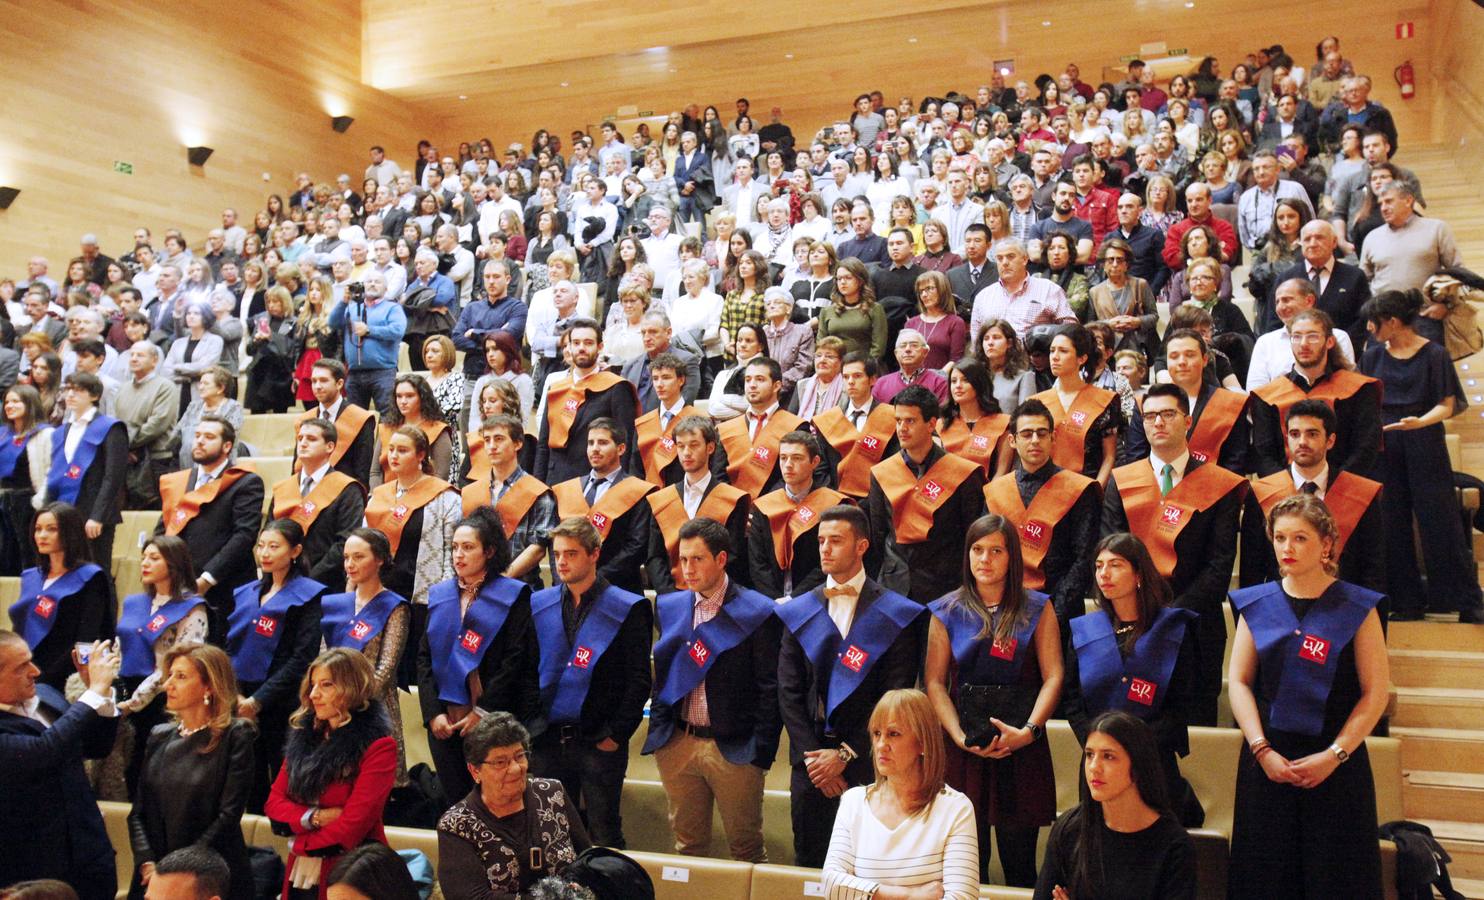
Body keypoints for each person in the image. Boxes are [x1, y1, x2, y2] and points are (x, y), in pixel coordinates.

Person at [1227, 495, 1390, 899]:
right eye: (1280, 538)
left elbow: (1374, 693)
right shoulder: (1257, 603)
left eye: (1300, 538)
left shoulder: (1357, 606)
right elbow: (1240, 682)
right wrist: (1261, 749)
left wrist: (1334, 755)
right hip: (1268, 762)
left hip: (1336, 763)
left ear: (1327, 544)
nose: (1287, 548)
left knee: (1334, 880)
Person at [776, 504, 927, 868]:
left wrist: (844, 756)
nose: (825, 549)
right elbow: (789, 691)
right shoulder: (800, 608)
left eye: (836, 541)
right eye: (821, 541)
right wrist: (816, 758)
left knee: (869, 867)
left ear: (861, 546)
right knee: (809, 865)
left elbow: (894, 698)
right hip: (810, 765)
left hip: (872, 762)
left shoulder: (895, 613)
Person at [923, 515, 1063, 887]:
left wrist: (1029, 731)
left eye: (996, 551)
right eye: (977, 550)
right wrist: (957, 736)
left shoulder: (1038, 607)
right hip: (964, 750)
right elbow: (935, 683)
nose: (985, 559)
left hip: (1021, 747)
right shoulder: (946, 610)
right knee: (967, 869)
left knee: (1020, 866)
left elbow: (1054, 677)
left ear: (1012, 557)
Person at [1102, 384, 1245, 726]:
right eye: (1150, 416)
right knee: (1130, 727)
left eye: (1168, 414)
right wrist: (1140, 611)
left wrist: (1170, 613)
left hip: (1195, 627)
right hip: (1130, 625)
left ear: (1188, 420)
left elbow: (1220, 564)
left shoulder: (1219, 484)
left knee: (1194, 731)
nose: (1158, 423)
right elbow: (1110, 547)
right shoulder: (1122, 480)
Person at [643, 517, 781, 862]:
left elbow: (770, 687)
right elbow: (663, 674)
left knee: (746, 850)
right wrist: (664, 736)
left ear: (721, 560)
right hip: (679, 742)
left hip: (734, 749)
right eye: (683, 559)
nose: (687, 569)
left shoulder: (758, 611)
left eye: (697, 559)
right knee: (687, 851)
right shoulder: (670, 605)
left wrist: (759, 749)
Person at [530, 516, 654, 848]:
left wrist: (616, 735)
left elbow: (640, 679)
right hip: (548, 739)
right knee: (551, 835)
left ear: (594, 554)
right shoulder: (539, 604)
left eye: (570, 554)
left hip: (599, 739)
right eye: (556, 555)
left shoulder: (627, 607)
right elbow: (527, 671)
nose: (561, 563)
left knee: (604, 833)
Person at [1064, 535, 1204, 828]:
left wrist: (1132, 747)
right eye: (1099, 566)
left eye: (1115, 565)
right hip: (1097, 764)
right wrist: (1101, 744)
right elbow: (1072, 700)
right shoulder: (1086, 630)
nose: (1104, 573)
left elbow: (1183, 704)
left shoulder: (1173, 629)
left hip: (1153, 763)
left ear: (1139, 574)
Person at [1360, 290, 1483, 622]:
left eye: (1375, 322)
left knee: (1440, 519)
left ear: (1394, 322)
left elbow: (1446, 404)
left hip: (1424, 438)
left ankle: (1465, 601)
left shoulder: (1434, 354)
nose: (1370, 328)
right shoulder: (1372, 356)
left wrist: (1419, 422)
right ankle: (1407, 601)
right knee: (1392, 522)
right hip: (1386, 444)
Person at [416, 506, 541, 805]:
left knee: (498, 804)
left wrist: (481, 712)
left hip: (495, 718)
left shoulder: (513, 595)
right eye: (455, 547)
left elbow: (515, 661)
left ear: (489, 551)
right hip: (447, 722)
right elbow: (423, 658)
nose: (459, 555)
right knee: (457, 805)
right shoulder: (440, 595)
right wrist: (434, 713)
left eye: (468, 547)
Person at [821, 689, 980, 900]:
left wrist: (867, 894)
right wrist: (908, 896)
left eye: (893, 734)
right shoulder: (853, 801)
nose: (880, 745)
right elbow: (832, 885)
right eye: (877, 734)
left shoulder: (955, 808)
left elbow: (962, 897)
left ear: (923, 743)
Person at [265, 649, 398, 900]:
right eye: (313, 685)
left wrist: (300, 842)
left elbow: (353, 825)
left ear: (352, 688)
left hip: (353, 870)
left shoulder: (379, 746)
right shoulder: (303, 738)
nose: (314, 695)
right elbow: (273, 804)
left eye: (326, 685)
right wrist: (314, 818)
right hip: (300, 866)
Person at [126, 645, 255, 900]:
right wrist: (148, 862)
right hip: (154, 873)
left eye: (181, 677)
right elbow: (138, 813)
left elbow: (228, 815)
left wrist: (177, 871)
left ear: (209, 686)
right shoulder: (158, 735)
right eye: (170, 675)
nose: (168, 685)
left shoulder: (236, 735)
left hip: (208, 875)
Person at [0, 633, 121, 900]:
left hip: (91, 857)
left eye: (31, 661)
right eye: (21, 667)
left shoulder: (46, 695)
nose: (36, 672)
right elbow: (44, 752)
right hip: (36, 873)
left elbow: (95, 747)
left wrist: (103, 696)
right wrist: (92, 694)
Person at [1033, 712, 1196, 900]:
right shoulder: (1069, 829)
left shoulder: (1175, 847)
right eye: (1089, 755)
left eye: (1108, 757)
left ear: (1138, 765)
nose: (1094, 767)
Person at [436, 712, 593, 898]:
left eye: (520, 756)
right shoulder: (456, 825)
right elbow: (471, 897)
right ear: (475, 770)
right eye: (500, 762)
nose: (515, 768)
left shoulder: (552, 793)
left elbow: (585, 859)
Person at [227, 520, 326, 809]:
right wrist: (236, 694)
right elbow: (229, 646)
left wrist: (258, 701)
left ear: (295, 551)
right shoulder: (246, 592)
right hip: (240, 697)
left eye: (274, 546)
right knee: (246, 778)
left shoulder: (310, 594)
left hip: (284, 700)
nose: (265, 553)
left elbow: (302, 657)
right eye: (261, 546)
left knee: (285, 777)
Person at [1240, 399, 1386, 595]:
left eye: (1312, 434)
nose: (1302, 442)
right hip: (1279, 611)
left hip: (1345, 607)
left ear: (1330, 440)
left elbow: (1373, 568)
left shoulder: (1360, 493)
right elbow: (1251, 570)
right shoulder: (1262, 493)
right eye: (1294, 434)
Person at [864, 386, 985, 602]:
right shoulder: (882, 472)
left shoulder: (963, 473)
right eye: (898, 420)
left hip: (946, 587)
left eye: (910, 421)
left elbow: (971, 534)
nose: (902, 428)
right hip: (894, 586)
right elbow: (878, 535)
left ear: (931, 424)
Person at [983, 399, 1099, 624]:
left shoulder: (1079, 488)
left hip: (1060, 608)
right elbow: (985, 551)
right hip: (1005, 606)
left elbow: (1085, 557)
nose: (1035, 440)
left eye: (1041, 433)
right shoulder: (995, 491)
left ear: (1053, 438)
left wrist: (1054, 611)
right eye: (1026, 434)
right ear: (1012, 441)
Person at [362, 425, 459, 685]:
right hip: (381, 593)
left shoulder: (444, 496)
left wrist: (445, 599)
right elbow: (362, 545)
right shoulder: (379, 495)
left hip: (423, 597)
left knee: (414, 672)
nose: (393, 455)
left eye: (402, 450)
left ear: (421, 456)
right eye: (390, 449)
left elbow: (453, 552)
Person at [154, 416, 264, 643]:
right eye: (197, 436)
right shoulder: (180, 481)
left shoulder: (244, 482)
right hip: (178, 585)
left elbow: (244, 536)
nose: (200, 441)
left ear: (227, 446)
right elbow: (163, 531)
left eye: (209, 437)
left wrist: (206, 579)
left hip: (223, 588)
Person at [116, 536, 211, 792]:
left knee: (154, 768)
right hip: (126, 691)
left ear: (174, 563)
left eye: (154, 558)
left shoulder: (192, 607)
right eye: (144, 557)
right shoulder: (134, 602)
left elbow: (180, 662)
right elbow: (120, 645)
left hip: (164, 696)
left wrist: (135, 702)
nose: (145, 563)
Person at [321, 528, 411, 783]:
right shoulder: (335, 604)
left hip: (373, 706)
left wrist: (351, 699)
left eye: (359, 557)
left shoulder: (394, 606)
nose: (350, 564)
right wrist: (331, 697)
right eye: (347, 557)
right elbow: (323, 658)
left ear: (380, 559)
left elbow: (386, 669)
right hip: (333, 707)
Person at [1250, 309, 1381, 478]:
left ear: (1329, 342)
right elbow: (1263, 455)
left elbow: (1365, 449)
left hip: (1344, 490)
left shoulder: (1359, 389)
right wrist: (1290, 492)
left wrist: (1331, 486)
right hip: (1285, 494)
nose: (1303, 343)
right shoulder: (1268, 396)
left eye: (1312, 336)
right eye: (1296, 336)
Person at [9, 502, 112, 691]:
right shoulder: (30, 576)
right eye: (38, 529)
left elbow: (86, 639)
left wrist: (44, 679)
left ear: (69, 533)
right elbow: (19, 628)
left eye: (51, 529)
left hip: (64, 676)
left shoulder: (90, 577)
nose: (42, 535)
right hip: (24, 668)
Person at [547, 417, 654, 594]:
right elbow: (554, 543)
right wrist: (563, 580)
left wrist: (591, 580)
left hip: (618, 590)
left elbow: (637, 547)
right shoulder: (567, 489)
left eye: (603, 443)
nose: (594, 449)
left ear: (621, 449)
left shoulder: (638, 491)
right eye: (590, 443)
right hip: (567, 591)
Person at [646, 416, 751, 593]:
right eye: (680, 446)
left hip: (716, 597)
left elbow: (732, 556)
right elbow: (654, 557)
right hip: (671, 598)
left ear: (710, 448)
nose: (686, 452)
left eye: (694, 445)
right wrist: (670, 596)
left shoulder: (733, 499)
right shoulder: (662, 498)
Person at [1125, 329, 1249, 473]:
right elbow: (1136, 458)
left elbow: (1235, 462)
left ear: (1204, 360)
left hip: (1213, 489)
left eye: (1190, 355)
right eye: (1174, 356)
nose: (1182, 362)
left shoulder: (1230, 404)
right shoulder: (1145, 403)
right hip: (1156, 488)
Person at [534, 319, 639, 485]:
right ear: (568, 347)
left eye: (588, 343)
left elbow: (625, 445)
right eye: (576, 343)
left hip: (595, 483)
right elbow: (543, 445)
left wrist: (618, 487)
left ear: (600, 347)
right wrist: (538, 488)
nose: (581, 348)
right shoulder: (556, 388)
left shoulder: (616, 388)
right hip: (554, 482)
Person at [749, 431, 848, 601]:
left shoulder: (833, 505)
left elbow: (827, 563)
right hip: (770, 604)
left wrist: (794, 599)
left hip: (817, 600)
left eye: (796, 458)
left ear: (815, 462)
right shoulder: (764, 506)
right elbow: (757, 563)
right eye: (783, 458)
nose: (788, 465)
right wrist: (775, 602)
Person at [270, 418, 366, 585]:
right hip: (281, 581)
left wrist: (309, 578)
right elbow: (270, 532)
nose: (303, 443)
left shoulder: (347, 488)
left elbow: (345, 541)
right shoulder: (284, 487)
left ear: (330, 446)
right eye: (300, 439)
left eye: (311, 439)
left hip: (325, 583)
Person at [44, 372, 127, 566]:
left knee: (96, 572)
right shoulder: (60, 431)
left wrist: (97, 516)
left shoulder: (110, 427)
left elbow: (113, 477)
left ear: (95, 396)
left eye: (78, 390)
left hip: (93, 514)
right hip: (63, 514)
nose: (70, 394)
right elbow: (54, 476)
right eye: (68, 389)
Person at [1031, 325, 1121, 486]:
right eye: (1052, 351)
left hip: (1087, 488)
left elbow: (1109, 456)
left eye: (1063, 351)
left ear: (1082, 358)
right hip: (1044, 489)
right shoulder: (1036, 402)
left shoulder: (1105, 400)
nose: (1055, 357)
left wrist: (1096, 490)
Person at [1245, 277, 1358, 394]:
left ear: (1309, 301)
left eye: (1286, 300)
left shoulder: (1338, 337)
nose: (1280, 307)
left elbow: (1346, 384)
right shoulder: (1266, 342)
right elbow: (1256, 391)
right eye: (1277, 302)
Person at [715, 357, 805, 499]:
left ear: (776, 386)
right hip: (732, 508)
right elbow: (718, 475)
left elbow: (795, 475)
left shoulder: (796, 426)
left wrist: (761, 509)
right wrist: (736, 508)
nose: (752, 385)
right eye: (748, 379)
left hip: (774, 508)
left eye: (760, 379)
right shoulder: (727, 429)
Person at [812, 355, 897, 500]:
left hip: (877, 501)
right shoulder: (829, 419)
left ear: (873, 379)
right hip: (835, 501)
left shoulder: (891, 417)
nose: (850, 382)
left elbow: (894, 465)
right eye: (845, 377)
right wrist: (836, 498)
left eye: (857, 376)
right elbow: (820, 467)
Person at [329, 272, 406, 417]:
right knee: (355, 418)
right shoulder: (351, 307)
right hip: (354, 373)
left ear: (386, 288)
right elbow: (333, 323)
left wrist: (369, 330)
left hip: (383, 372)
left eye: (377, 282)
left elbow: (398, 331)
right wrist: (343, 302)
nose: (372, 284)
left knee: (388, 415)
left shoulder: (392, 308)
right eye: (369, 281)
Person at [295, 358, 377, 487]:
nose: (317, 386)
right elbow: (297, 466)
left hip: (343, 495)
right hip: (307, 493)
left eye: (323, 380)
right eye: (314, 381)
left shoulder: (360, 418)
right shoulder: (305, 419)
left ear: (339, 384)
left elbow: (362, 471)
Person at [0, 385, 52, 576]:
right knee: (5, 554)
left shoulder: (45, 433)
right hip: (4, 500)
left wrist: (40, 501)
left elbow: (51, 470)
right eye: (7, 402)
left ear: (29, 404)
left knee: (27, 555)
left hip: (29, 502)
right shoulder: (3, 434)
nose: (9, 406)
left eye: (15, 401)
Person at [629, 352, 699, 487]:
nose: (659, 384)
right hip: (648, 498)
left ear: (681, 380)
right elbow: (635, 469)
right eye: (655, 378)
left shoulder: (699, 420)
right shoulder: (643, 423)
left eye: (666, 378)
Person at [372, 374, 453, 485]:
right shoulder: (386, 428)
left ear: (422, 397)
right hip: (387, 496)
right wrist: (378, 495)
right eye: (399, 396)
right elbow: (375, 472)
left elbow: (441, 475)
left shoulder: (438, 429)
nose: (403, 401)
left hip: (425, 496)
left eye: (409, 396)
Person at [936, 357, 1010, 477]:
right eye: (954, 381)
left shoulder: (1003, 423)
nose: (958, 386)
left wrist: (988, 495)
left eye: (965, 380)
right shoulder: (941, 425)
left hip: (988, 492)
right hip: (947, 492)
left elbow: (1002, 472)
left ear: (979, 384)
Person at [872, 328, 949, 404]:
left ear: (925, 352)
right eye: (902, 346)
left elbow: (942, 414)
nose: (907, 349)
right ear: (896, 353)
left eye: (914, 345)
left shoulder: (939, 383)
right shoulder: (881, 383)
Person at [790, 337, 847, 422]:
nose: (822, 360)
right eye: (818, 355)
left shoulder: (847, 387)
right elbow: (790, 419)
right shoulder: (802, 385)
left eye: (829, 356)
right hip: (801, 433)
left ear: (841, 361)